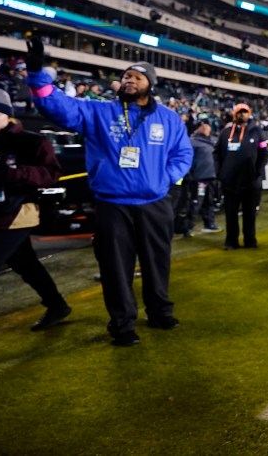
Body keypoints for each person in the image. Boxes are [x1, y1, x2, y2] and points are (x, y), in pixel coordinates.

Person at [25, 46, 192, 346]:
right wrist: (37, 74)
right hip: (112, 205)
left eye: (136, 77)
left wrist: (164, 179)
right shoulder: (99, 112)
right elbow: (56, 106)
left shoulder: (169, 119)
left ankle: (159, 312)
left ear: (150, 85)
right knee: (115, 268)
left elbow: (183, 154)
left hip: (154, 203)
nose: (128, 80)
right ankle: (122, 324)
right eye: (125, 76)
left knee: (157, 262)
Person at [0, 87, 72, 331]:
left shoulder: (31, 141)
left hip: (18, 214)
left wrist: (13, 174)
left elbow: (52, 174)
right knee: (24, 263)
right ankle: (57, 305)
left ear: (9, 116)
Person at [214, 103, 268, 250]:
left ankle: (250, 240)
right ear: (234, 114)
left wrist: (257, 172)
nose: (242, 115)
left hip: (251, 181)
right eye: (239, 112)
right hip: (230, 181)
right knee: (230, 214)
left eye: (245, 112)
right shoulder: (225, 133)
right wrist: (220, 173)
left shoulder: (257, 132)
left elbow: (264, 153)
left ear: (249, 114)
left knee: (250, 214)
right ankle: (231, 241)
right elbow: (216, 153)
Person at [187, 117, 222, 234]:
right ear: (200, 127)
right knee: (196, 202)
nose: (208, 128)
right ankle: (188, 227)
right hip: (198, 177)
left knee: (209, 202)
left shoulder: (210, 141)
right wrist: (191, 175)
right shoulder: (192, 141)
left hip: (210, 176)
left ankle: (209, 224)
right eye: (206, 126)